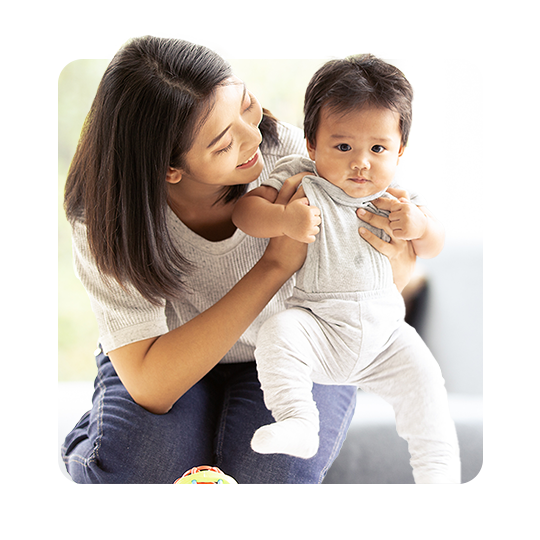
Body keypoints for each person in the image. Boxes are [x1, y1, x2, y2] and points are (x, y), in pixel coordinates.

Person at [61, 35, 417, 484]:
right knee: (138, 471)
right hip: (168, 353)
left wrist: (399, 251)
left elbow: (391, 274)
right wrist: (274, 266)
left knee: (271, 474)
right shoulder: (107, 216)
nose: (255, 137)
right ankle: (91, 444)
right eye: (225, 142)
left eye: (247, 105)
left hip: (297, 347)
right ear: (170, 169)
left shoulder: (300, 162)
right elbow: (152, 385)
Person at [232, 55, 460, 483]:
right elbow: (244, 213)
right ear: (311, 145)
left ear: (399, 150)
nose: (361, 163)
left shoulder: (398, 197)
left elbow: (435, 244)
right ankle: (299, 421)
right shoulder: (301, 178)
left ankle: (438, 472)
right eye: (343, 147)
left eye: (378, 149)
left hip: (385, 336)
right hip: (319, 328)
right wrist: (283, 220)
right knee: (277, 332)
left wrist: (419, 226)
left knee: (426, 381)